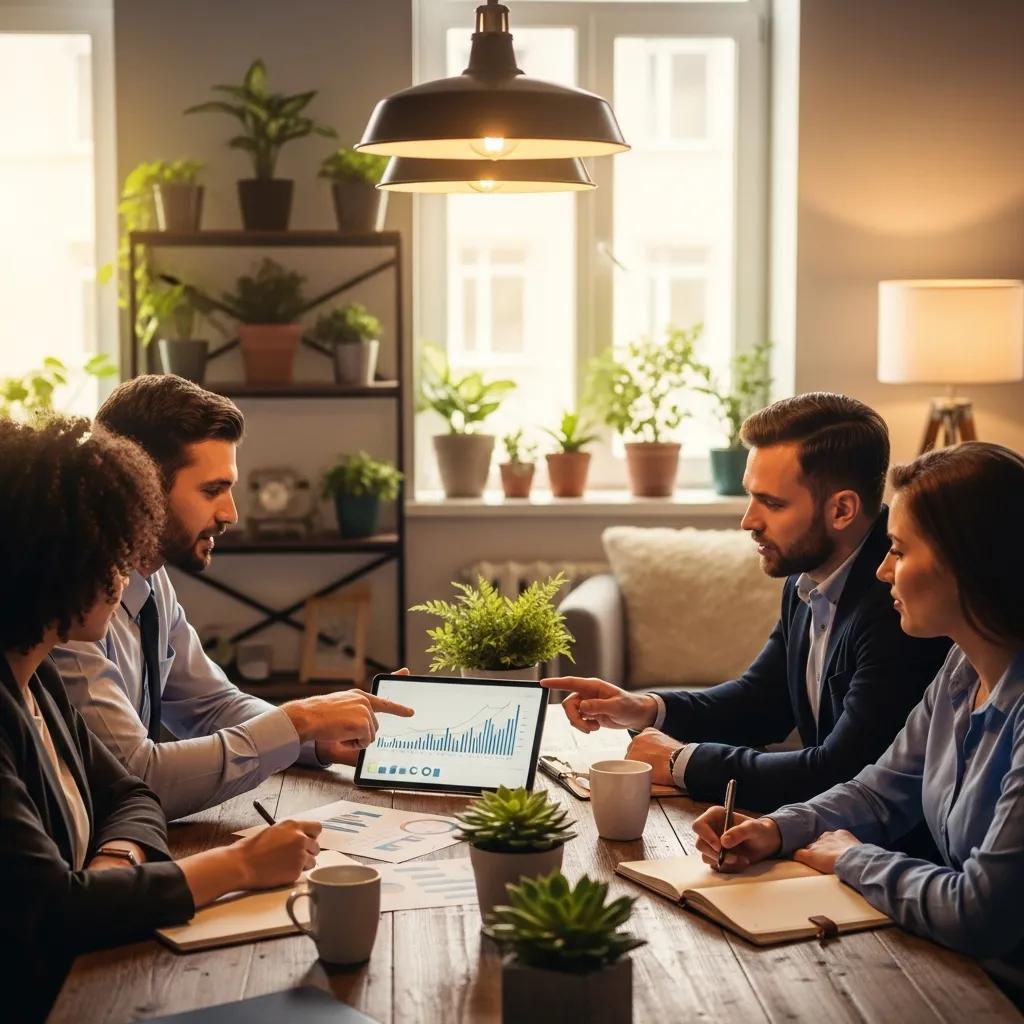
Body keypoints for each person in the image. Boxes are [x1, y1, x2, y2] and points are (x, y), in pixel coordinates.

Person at [0, 416, 328, 1022]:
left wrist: (114, 868)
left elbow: (130, 794)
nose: (125, 574)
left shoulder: (36, 679)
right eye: (111, 554)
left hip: (90, 964)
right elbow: (52, 909)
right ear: (50, 562)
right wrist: (239, 864)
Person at [691, 442, 1024, 1002]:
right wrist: (779, 828)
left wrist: (851, 857)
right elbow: (880, 791)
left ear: (967, 563)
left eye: (898, 550)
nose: (882, 569)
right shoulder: (962, 666)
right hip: (957, 968)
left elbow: (979, 912)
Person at [543, 393, 951, 810]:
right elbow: (762, 702)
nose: (748, 521)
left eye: (772, 503)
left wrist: (679, 761)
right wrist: (645, 708)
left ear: (842, 509)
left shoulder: (899, 602)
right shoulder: (808, 575)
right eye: (751, 496)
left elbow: (840, 773)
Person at [52, 375, 412, 819]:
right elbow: (136, 776)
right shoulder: (72, 606)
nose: (230, 513)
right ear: (140, 484)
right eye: (211, 490)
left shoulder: (152, 579)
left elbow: (211, 705)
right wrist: (299, 720)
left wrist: (315, 738)